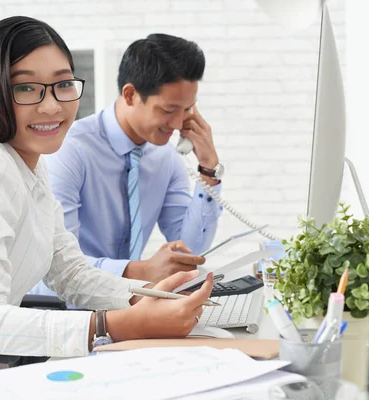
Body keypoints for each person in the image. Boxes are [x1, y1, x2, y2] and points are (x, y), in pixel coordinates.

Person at [0, 16, 213, 399]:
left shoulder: (28, 166)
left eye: (64, 84)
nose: (52, 105)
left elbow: (70, 274)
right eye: (26, 87)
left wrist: (148, 296)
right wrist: (116, 324)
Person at [30, 33, 224, 298]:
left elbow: (190, 251)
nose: (179, 124)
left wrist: (208, 170)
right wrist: (140, 271)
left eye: (187, 110)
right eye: (169, 110)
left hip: (126, 304)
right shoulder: (69, 150)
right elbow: (53, 268)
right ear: (131, 94)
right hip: (64, 308)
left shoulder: (165, 157)